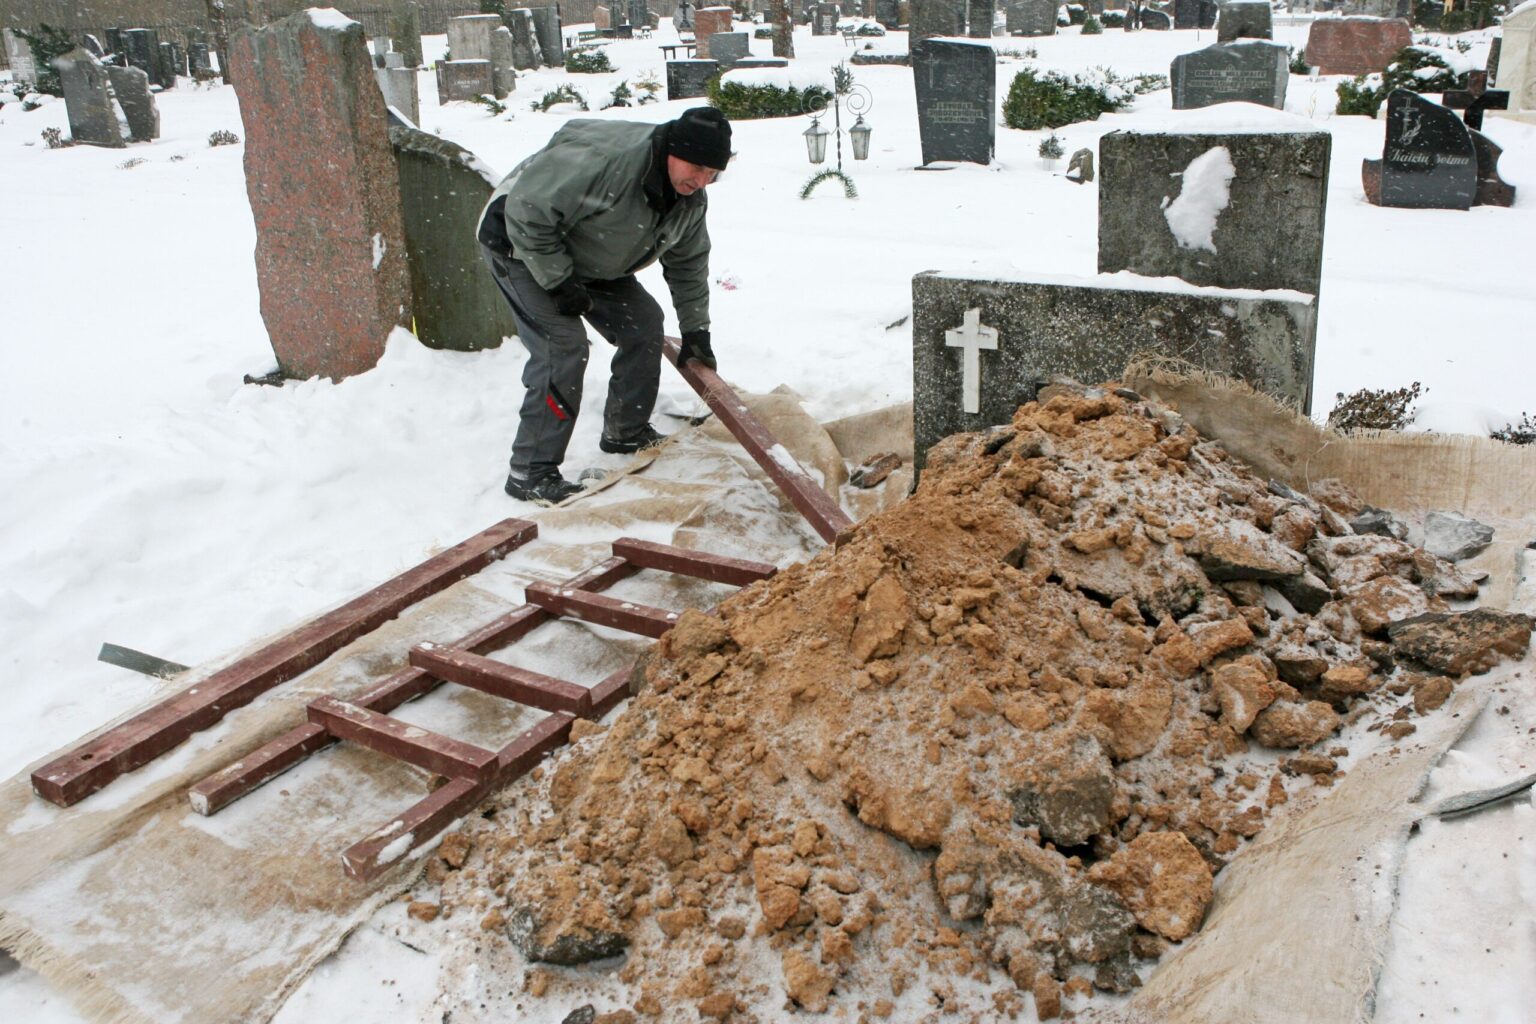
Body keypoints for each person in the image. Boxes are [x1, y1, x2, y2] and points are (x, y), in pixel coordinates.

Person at [476, 107, 732, 505]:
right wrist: (559, 281)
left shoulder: (690, 198)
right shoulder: (606, 163)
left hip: (590, 249)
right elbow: (526, 213)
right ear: (672, 151)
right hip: (521, 244)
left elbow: (688, 264)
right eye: (695, 166)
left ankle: (624, 431)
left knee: (644, 324)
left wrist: (696, 330)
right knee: (562, 345)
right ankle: (530, 470)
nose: (701, 180)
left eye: (712, 173)